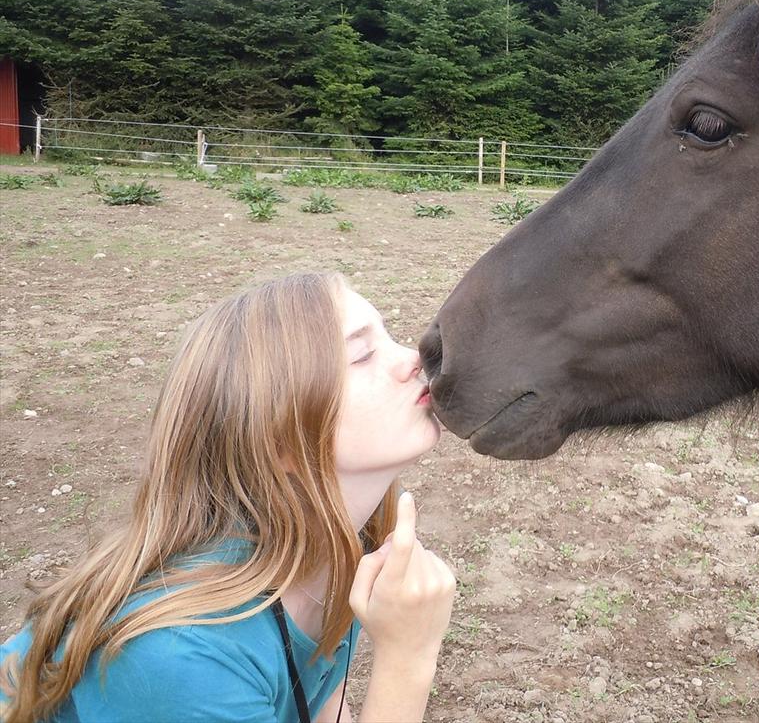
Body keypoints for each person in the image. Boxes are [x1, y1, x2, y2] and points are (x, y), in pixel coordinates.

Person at [0, 272, 456, 723]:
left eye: (388, 336)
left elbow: (317, 694)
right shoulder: (185, 653)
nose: (414, 359)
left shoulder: (340, 548)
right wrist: (407, 660)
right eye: (361, 355)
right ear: (281, 441)